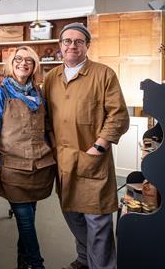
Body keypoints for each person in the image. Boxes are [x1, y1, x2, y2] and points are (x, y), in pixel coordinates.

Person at [43, 23, 130, 269]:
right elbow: (46, 118)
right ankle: (84, 258)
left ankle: (102, 266)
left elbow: (118, 116)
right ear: (60, 46)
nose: (72, 45)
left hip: (93, 158)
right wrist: (51, 146)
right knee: (72, 213)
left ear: (87, 46)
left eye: (78, 41)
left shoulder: (104, 74)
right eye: (67, 41)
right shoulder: (50, 78)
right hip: (64, 160)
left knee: (97, 220)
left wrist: (99, 148)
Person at [0, 46, 56, 269]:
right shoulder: (0, 93)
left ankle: (22, 262)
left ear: (34, 66)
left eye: (29, 60)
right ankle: (37, 264)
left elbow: (45, 128)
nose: (23, 63)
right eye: (18, 59)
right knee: (25, 222)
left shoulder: (38, 93)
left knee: (29, 220)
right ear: (10, 63)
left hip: (40, 167)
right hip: (12, 168)